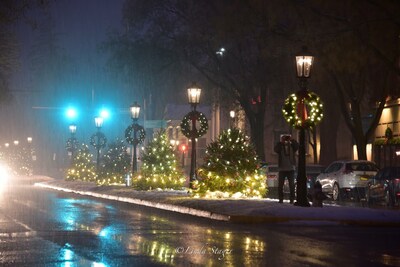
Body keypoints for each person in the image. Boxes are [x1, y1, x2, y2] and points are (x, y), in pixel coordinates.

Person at [274, 134, 299, 204]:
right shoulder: (280, 146)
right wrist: (280, 142)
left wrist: (292, 140)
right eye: (284, 138)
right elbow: (275, 149)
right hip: (282, 168)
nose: (286, 140)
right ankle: (281, 199)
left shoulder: (291, 146)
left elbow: (297, 146)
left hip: (291, 168)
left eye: (287, 138)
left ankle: (292, 199)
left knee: (292, 185)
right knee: (280, 185)